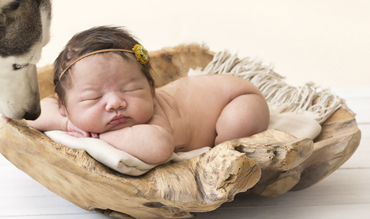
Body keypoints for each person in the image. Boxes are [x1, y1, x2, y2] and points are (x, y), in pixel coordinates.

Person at [27, 26, 270, 164]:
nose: (115, 103)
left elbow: (158, 147)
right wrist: (67, 122)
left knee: (234, 125)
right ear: (64, 105)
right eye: (92, 98)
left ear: (152, 89)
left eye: (131, 89)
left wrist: (93, 137)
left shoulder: (152, 117)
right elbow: (36, 112)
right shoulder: (64, 111)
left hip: (237, 97)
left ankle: (222, 148)